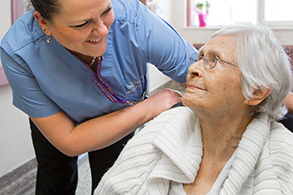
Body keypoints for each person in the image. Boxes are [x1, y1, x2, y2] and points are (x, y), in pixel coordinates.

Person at [0, 0, 197, 194]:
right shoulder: (18, 51)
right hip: (60, 121)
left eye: (106, 11)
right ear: (43, 22)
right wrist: (148, 107)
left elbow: (200, 73)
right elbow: (69, 141)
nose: (103, 30)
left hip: (117, 116)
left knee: (113, 180)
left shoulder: (134, 19)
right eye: (82, 24)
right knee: (54, 180)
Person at [95, 23, 293, 195]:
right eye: (200, 57)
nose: (193, 69)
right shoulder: (160, 129)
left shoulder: (281, 160)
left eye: (213, 61)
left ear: (255, 91)